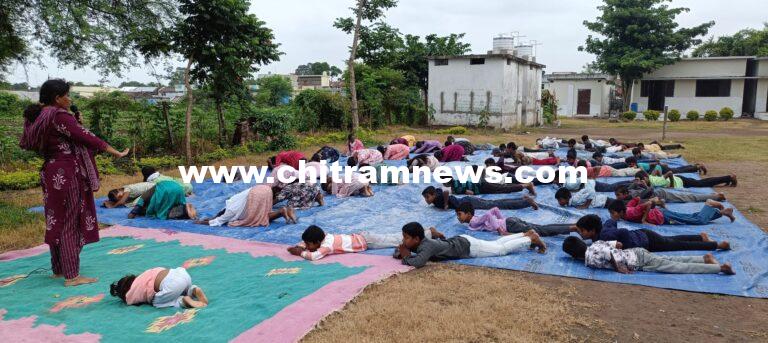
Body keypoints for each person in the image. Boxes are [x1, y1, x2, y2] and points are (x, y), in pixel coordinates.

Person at [20, 79, 129, 287]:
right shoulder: (59, 116)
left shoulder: (40, 116)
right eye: (67, 95)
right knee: (70, 221)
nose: (70, 99)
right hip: (67, 171)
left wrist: (76, 121)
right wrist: (116, 152)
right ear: (57, 98)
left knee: (56, 219)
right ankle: (72, 276)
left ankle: (59, 270)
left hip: (51, 171)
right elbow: (87, 137)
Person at [395, 222, 546, 268]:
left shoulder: (427, 246)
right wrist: (401, 251)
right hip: (462, 241)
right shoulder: (418, 243)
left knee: (500, 250)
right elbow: (400, 252)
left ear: (416, 239)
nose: (404, 240)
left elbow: (419, 262)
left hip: (468, 247)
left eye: (406, 238)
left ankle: (530, 239)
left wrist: (406, 256)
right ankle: (525, 234)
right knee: (495, 243)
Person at [562, 237, 735, 275]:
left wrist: (619, 267)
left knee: (673, 267)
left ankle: (719, 267)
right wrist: (619, 256)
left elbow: (610, 253)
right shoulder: (595, 243)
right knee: (670, 261)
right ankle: (704, 259)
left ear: (574, 256)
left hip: (637, 260)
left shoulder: (589, 258)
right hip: (636, 252)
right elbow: (617, 245)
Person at [574, 213, 730, 253]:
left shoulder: (604, 236)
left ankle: (715, 245)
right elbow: (611, 221)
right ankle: (699, 237)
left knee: (677, 246)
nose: (580, 234)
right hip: (644, 233)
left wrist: (627, 245)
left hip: (646, 242)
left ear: (592, 230)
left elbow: (620, 231)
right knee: (671, 239)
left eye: (582, 231)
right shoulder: (603, 230)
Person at [287, 225, 445, 260]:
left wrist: (300, 252)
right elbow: (309, 245)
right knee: (393, 237)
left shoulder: (326, 246)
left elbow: (314, 256)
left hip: (367, 241)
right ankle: (428, 232)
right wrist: (301, 245)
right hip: (363, 237)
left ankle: (430, 232)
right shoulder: (324, 236)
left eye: (308, 244)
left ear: (317, 241)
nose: (307, 246)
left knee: (395, 239)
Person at [195, 185, 297, 227]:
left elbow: (217, 221)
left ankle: (281, 211)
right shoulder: (232, 201)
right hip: (263, 189)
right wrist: (212, 218)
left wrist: (201, 222)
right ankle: (283, 211)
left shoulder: (230, 211)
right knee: (264, 213)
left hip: (255, 194)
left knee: (260, 218)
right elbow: (218, 216)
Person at [109, 267, 209, 308]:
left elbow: (129, 300)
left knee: (156, 302)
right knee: (179, 289)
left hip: (173, 285)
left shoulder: (133, 290)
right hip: (183, 274)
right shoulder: (146, 274)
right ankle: (192, 290)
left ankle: (183, 300)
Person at [456, 203, 575, 236]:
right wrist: (502, 221)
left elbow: (488, 214)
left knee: (541, 230)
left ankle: (573, 227)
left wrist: (500, 230)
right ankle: (572, 225)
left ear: (468, 214)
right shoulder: (476, 219)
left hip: (510, 225)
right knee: (540, 227)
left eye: (460, 214)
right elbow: (495, 209)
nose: (458, 217)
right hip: (510, 221)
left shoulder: (474, 221)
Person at [421, 186, 538, 211]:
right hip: (468, 200)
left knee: (497, 205)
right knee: (496, 202)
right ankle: (522, 199)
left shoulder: (437, 198)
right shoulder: (436, 193)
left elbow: (445, 192)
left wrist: (446, 204)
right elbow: (440, 189)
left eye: (427, 197)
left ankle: (526, 202)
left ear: (433, 195)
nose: (426, 200)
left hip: (469, 202)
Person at [128, 180, 197, 220]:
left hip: (165, 191)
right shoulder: (151, 191)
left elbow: (139, 204)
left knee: (164, 213)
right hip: (177, 188)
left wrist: (132, 213)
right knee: (175, 204)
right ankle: (186, 208)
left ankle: (185, 211)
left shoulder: (147, 196)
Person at [615, 183, 724, 204]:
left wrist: (642, 195)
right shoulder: (629, 193)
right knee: (688, 197)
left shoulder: (632, 196)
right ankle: (714, 196)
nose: (617, 197)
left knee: (689, 198)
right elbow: (635, 184)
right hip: (660, 194)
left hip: (662, 195)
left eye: (618, 195)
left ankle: (716, 197)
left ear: (625, 194)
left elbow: (650, 190)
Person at [636, 170, 737, 189]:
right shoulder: (650, 177)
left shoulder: (654, 181)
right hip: (679, 178)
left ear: (645, 178)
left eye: (641, 181)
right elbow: (657, 171)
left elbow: (670, 173)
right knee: (702, 182)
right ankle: (727, 179)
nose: (641, 183)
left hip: (680, 181)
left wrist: (671, 185)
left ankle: (729, 177)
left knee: (702, 184)